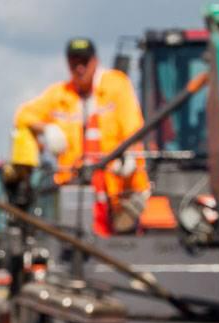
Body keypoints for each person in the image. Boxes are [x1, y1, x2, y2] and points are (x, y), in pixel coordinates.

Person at [13, 37, 151, 235]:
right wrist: (46, 129)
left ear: (95, 61)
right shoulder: (60, 94)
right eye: (74, 62)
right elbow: (23, 115)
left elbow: (132, 125)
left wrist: (129, 154)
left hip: (120, 191)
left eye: (84, 62)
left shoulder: (117, 85)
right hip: (76, 193)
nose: (79, 68)